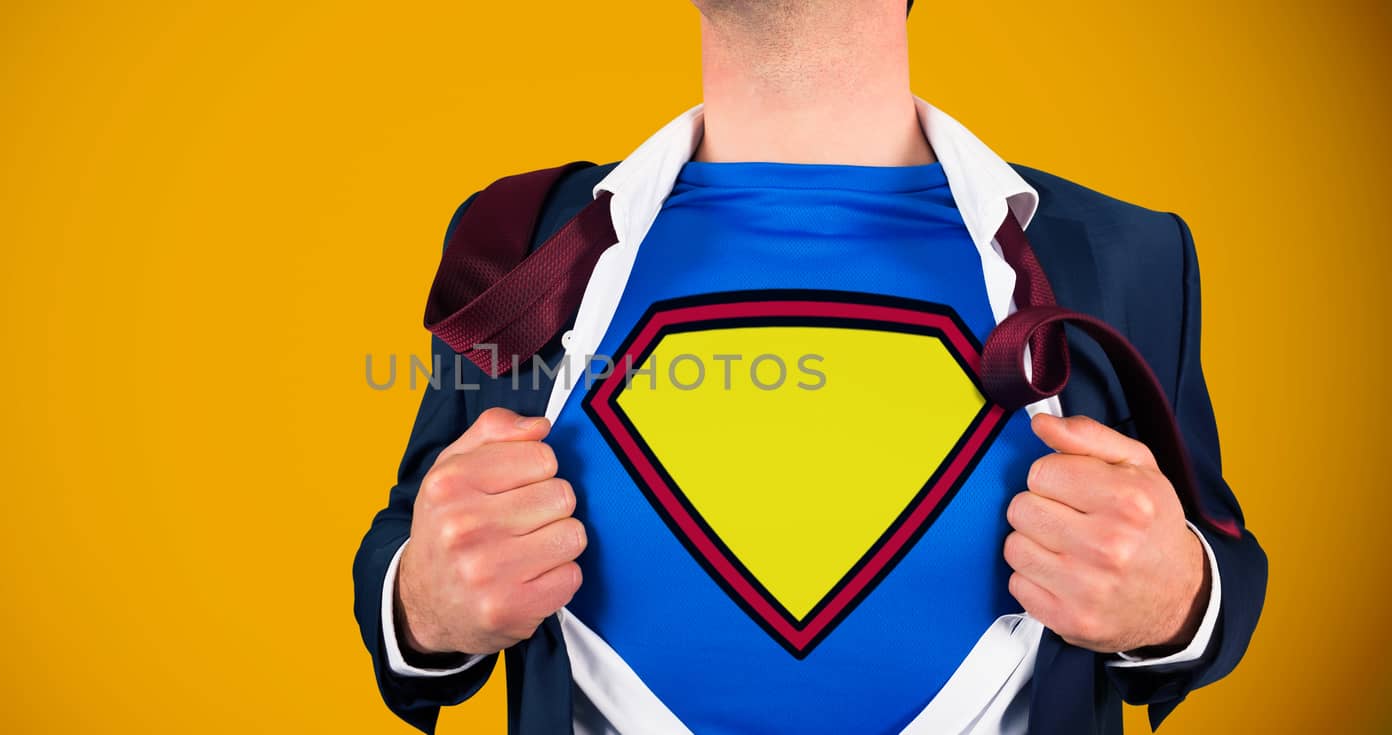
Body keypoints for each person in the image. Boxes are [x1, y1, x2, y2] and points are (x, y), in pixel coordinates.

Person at [352, 1, 1267, 732]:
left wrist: (1179, 594)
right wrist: (424, 604)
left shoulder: (1125, 255)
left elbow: (1221, 559)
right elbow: (408, 544)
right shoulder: (518, 242)